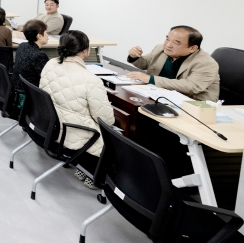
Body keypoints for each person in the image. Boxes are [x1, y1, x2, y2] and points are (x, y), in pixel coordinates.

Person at [39, 31, 115, 189]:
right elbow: (106, 120)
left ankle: (83, 168)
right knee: (114, 135)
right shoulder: (91, 80)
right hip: (72, 133)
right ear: (86, 50)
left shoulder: (50, 64)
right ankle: (93, 175)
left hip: (52, 125)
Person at [124, 26, 220, 101]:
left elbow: (191, 86)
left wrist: (151, 79)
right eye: (167, 39)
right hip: (160, 95)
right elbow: (144, 63)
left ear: (192, 48)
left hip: (193, 103)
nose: (168, 45)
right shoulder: (160, 48)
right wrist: (134, 56)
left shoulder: (206, 63)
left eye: (176, 43)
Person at [13, 19, 50, 89]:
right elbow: (47, 77)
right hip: (29, 90)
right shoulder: (40, 55)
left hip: (17, 86)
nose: (48, 35)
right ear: (39, 36)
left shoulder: (22, 45)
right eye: (46, 32)